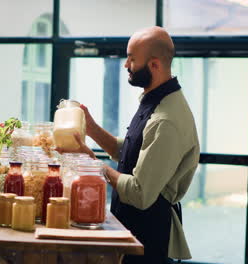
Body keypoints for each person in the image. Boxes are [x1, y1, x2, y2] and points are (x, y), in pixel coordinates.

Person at [65, 27, 200, 263]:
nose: (126, 64)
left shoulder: (166, 120)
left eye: (132, 59)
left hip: (148, 238)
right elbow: (130, 152)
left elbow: (140, 193)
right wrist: (92, 127)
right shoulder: (157, 99)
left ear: (154, 65)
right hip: (131, 227)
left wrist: (92, 164)